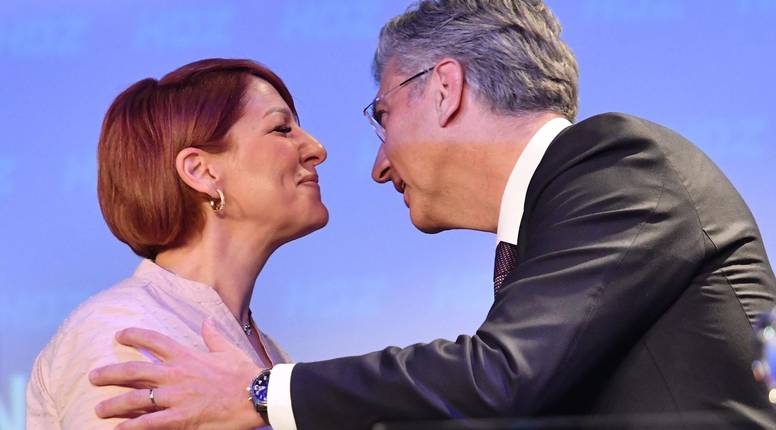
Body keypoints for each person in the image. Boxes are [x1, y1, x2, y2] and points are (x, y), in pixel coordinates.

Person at [88, 1, 776, 429]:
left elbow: (501, 376)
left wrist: (261, 392)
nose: (377, 164)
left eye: (382, 115)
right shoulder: (120, 336)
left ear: (444, 88)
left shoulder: (617, 163)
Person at [25, 58, 328, 429]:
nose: (317, 148)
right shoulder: (125, 329)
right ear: (202, 171)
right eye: (282, 129)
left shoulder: (268, 349)